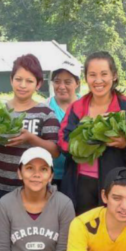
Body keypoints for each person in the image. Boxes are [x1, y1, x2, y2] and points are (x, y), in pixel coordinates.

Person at [58, 52, 126, 215]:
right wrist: (88, 141)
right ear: (86, 78)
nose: (98, 80)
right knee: (84, 232)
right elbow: (63, 142)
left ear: (114, 76)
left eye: (104, 74)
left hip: (118, 187)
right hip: (80, 184)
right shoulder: (77, 107)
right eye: (92, 75)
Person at [0, 54, 60, 221]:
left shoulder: (46, 113)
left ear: (38, 84)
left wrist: (31, 138)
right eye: (18, 79)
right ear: (11, 80)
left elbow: (55, 151)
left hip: (32, 189)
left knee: (29, 237)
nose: (23, 85)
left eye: (29, 81)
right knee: (2, 238)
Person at [47, 60, 82, 190]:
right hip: (49, 175)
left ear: (77, 83)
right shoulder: (44, 108)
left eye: (68, 82)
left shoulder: (87, 107)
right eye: (57, 81)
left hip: (79, 175)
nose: (61, 86)